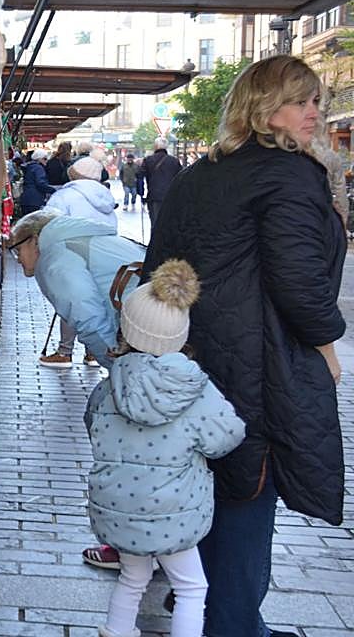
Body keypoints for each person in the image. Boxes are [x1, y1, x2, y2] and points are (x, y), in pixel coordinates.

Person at [143, 55, 345, 637]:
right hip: (257, 364)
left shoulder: (204, 171)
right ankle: (232, 625)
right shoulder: (287, 173)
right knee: (247, 496)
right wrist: (327, 346)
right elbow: (299, 280)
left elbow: (161, 266)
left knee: (211, 491)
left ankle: (215, 616)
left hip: (195, 359)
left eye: (316, 102)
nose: (313, 113)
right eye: (300, 100)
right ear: (264, 108)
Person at [89, 259, 245, 637]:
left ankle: (116, 631)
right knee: (192, 588)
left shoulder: (110, 386)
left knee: (132, 575)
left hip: (120, 507)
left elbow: (93, 426)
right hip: (172, 513)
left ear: (127, 329)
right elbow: (228, 436)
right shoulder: (195, 390)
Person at [7, 209, 143, 369]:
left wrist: (118, 367)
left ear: (34, 240)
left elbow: (86, 316)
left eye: (18, 250)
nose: (17, 259)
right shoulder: (82, 239)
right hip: (160, 319)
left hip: (143, 326)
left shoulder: (54, 258)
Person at [45, 156, 117, 230]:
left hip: (72, 240)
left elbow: (49, 225)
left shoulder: (62, 196)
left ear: (72, 175)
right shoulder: (106, 196)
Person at [137, 137, 182, 226]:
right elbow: (181, 177)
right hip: (171, 197)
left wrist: (141, 194)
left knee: (155, 223)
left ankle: (156, 239)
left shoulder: (148, 160)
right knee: (168, 223)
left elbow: (140, 177)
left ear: (156, 146)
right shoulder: (174, 161)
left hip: (154, 196)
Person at [17, 148, 56, 216]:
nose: (46, 161)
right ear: (39, 159)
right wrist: (54, 190)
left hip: (26, 199)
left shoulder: (29, 167)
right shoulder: (38, 168)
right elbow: (41, 183)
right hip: (35, 200)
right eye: (45, 158)